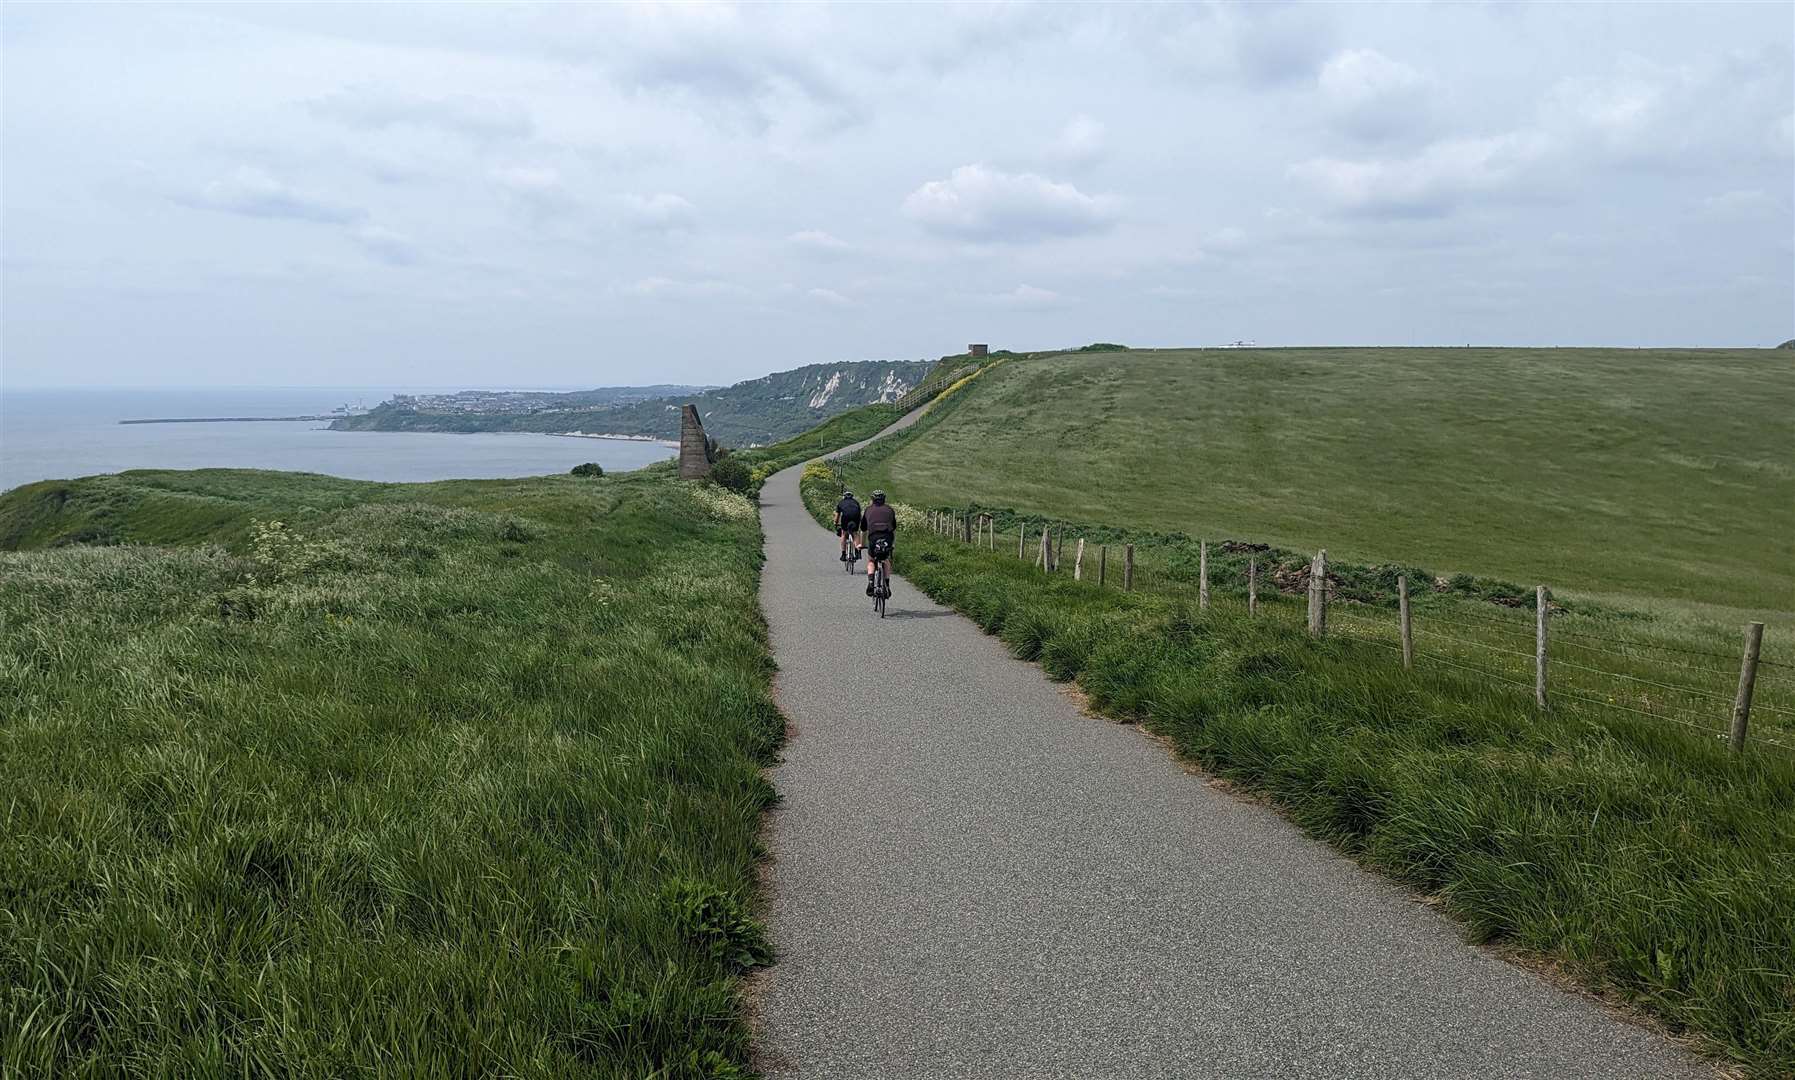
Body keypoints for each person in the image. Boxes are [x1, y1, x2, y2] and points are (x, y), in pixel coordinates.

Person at [861, 489, 896, 597]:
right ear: (884, 500)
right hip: (887, 537)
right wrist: (892, 544)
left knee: (871, 560)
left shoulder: (868, 510)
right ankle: (887, 586)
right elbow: (893, 528)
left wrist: (862, 544)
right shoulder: (890, 510)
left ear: (872, 499)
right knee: (885, 560)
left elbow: (863, 529)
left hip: (873, 537)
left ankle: (871, 583)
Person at [833, 489, 862, 563]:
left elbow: (837, 515)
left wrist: (835, 523)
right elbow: (859, 513)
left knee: (844, 533)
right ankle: (858, 552)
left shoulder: (841, 502)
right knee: (855, 534)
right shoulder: (856, 502)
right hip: (856, 517)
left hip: (845, 517)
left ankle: (843, 554)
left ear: (844, 497)